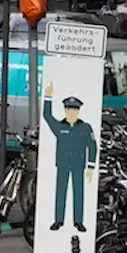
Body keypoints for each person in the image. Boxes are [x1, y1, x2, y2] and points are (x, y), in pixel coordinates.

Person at [43, 84, 98, 232]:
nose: (71, 112)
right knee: (60, 191)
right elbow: (47, 116)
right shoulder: (60, 126)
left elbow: (92, 146)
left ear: (78, 111)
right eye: (69, 109)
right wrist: (48, 97)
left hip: (78, 164)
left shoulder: (85, 127)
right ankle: (58, 220)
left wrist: (91, 166)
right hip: (63, 163)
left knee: (78, 192)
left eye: (74, 109)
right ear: (65, 110)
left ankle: (78, 221)